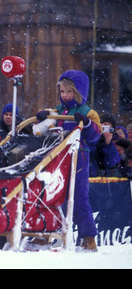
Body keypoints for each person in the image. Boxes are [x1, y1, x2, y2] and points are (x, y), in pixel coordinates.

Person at [35, 70, 101, 251]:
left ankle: (88, 238)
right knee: (50, 194)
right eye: (62, 91)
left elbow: (96, 133)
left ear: (79, 92)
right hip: (57, 155)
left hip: (78, 156)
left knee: (79, 197)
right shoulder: (58, 110)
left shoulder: (87, 111)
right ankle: (45, 234)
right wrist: (43, 117)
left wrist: (86, 123)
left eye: (69, 92)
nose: (65, 95)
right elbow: (48, 122)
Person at [89, 112, 121, 177]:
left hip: (103, 181)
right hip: (90, 176)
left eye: (109, 128)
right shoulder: (90, 137)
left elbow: (111, 163)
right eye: (105, 126)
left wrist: (108, 143)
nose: (106, 130)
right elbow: (89, 153)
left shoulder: (111, 145)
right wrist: (96, 135)